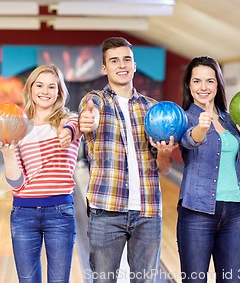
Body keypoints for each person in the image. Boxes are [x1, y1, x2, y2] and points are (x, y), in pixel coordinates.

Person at [78, 36, 178, 283]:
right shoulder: (95, 100)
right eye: (114, 61)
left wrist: (165, 153)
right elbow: (90, 114)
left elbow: (163, 169)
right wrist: (87, 120)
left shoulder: (153, 109)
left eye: (126, 60)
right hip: (106, 211)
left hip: (147, 211)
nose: (121, 65)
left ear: (134, 65)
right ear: (104, 68)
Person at [177, 56, 240, 282]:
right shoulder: (184, 118)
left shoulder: (229, 120)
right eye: (197, 81)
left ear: (218, 84)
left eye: (209, 81)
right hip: (197, 212)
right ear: (189, 85)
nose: (203, 87)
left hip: (234, 212)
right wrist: (201, 128)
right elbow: (187, 142)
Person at [0, 64, 81, 282]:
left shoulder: (69, 121)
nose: (45, 91)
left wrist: (67, 134)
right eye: (40, 85)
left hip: (60, 213)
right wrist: (7, 155)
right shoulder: (19, 127)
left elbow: (76, 128)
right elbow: (17, 184)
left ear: (59, 92)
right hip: (23, 213)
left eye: (51, 86)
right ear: (31, 89)